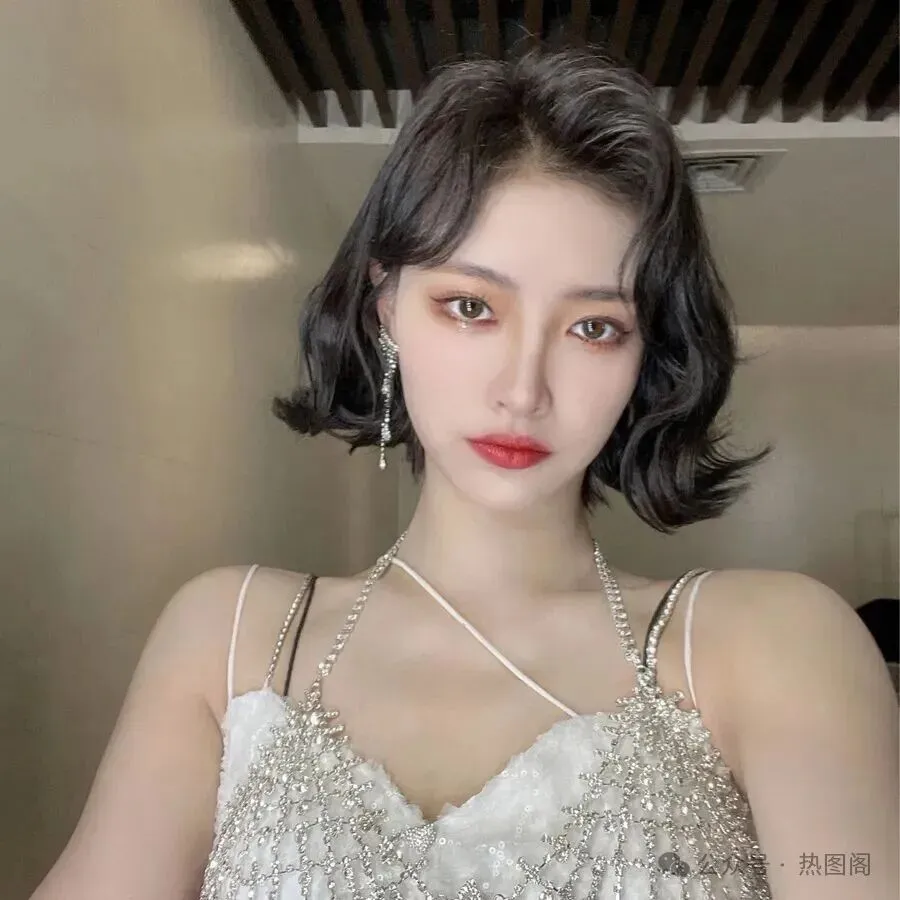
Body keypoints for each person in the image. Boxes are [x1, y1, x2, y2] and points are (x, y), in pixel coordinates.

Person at [33, 48, 897, 900]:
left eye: (594, 327)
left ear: (645, 355)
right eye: (472, 307)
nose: (523, 390)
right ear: (387, 310)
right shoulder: (230, 638)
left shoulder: (770, 644)